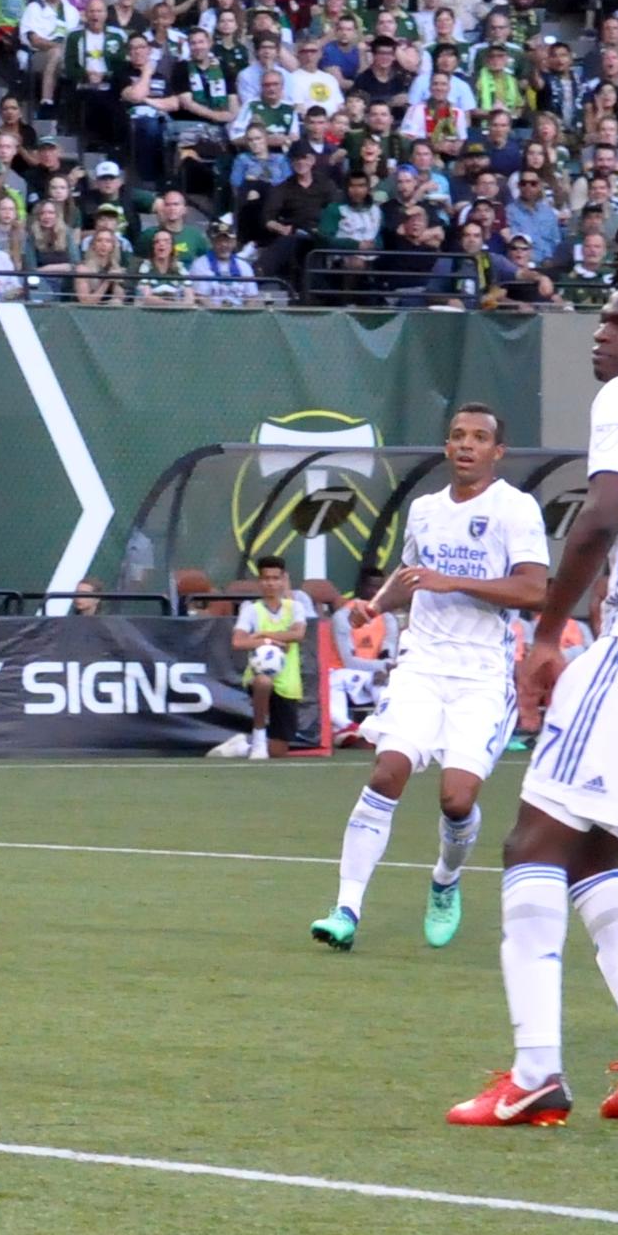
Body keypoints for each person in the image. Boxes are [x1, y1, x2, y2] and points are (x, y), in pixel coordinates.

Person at [449, 281, 618, 1126]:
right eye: (603, 318)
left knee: (533, 839)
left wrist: (549, 631)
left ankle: (534, 1074)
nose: (602, 336)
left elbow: (598, 518)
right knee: (595, 857)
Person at [311, 405, 545, 953]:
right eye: (458, 436)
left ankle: (445, 878)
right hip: (422, 665)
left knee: (456, 799)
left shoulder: (516, 508)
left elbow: (534, 589)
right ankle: (346, 907)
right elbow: (412, 576)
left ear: (497, 452)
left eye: (480, 437)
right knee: (387, 772)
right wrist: (376, 605)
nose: (467, 445)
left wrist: (452, 581)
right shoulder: (423, 510)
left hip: (482, 674)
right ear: (447, 447)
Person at [230, 555, 313, 762]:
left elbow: (298, 634)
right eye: (266, 578)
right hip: (259, 676)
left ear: (283, 579)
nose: (271, 583)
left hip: (288, 683)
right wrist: (268, 643)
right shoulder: (251, 609)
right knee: (263, 681)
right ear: (260, 581)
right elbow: (238, 642)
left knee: (278, 751)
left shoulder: (295, 607)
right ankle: (258, 739)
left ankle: (241, 747)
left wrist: (262, 636)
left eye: (276, 578)